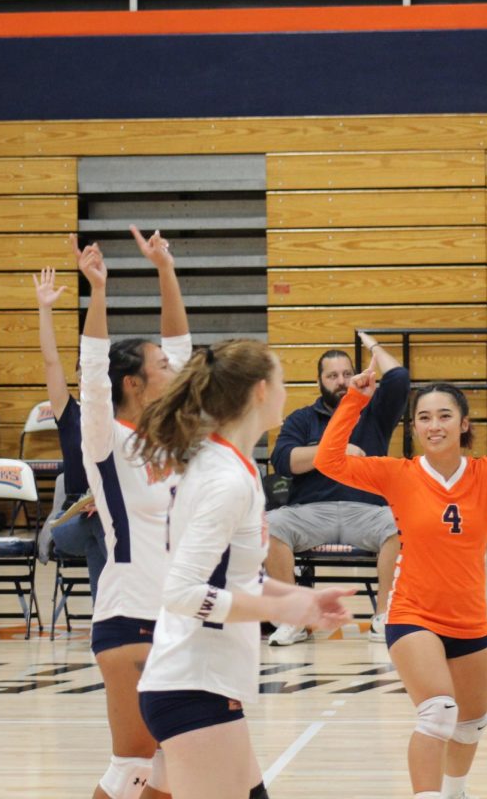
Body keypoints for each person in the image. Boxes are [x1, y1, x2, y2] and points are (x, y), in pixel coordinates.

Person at [315, 351, 487, 799]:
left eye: (445, 416)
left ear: (464, 424)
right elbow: (329, 461)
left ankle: (455, 792)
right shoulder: (399, 475)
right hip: (413, 615)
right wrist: (353, 401)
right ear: (414, 427)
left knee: (470, 726)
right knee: (437, 713)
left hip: (469, 619)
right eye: (424, 418)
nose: (435, 425)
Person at [133, 340, 354, 799]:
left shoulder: (234, 466)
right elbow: (182, 593)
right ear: (259, 391)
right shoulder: (224, 478)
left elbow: (238, 576)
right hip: (191, 684)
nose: (286, 390)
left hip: (203, 683)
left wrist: (299, 599)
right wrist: (282, 610)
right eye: (281, 379)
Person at [78, 227, 190, 799]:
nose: (172, 370)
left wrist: (165, 270)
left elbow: (184, 347)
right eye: (159, 366)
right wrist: (97, 290)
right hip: (128, 617)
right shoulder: (107, 439)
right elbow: (91, 378)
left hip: (179, 619)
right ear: (134, 383)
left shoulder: (177, 439)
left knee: (172, 770)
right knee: (134, 766)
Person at [265, 332, 408, 645]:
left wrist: (374, 346)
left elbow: (398, 378)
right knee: (268, 526)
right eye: (332, 376)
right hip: (311, 512)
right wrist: (334, 453)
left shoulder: (374, 414)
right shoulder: (301, 419)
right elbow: (284, 460)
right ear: (319, 381)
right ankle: (295, 619)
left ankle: (384, 616)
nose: (341, 381)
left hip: (367, 511)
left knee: (401, 524)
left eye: (346, 374)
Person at [34, 264, 105, 598]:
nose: (86, 374)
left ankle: (105, 617)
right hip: (71, 517)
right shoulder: (69, 412)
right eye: (82, 368)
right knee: (99, 527)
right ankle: (121, 616)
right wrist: (45, 309)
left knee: (104, 531)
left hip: (110, 513)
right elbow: (50, 361)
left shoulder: (120, 417)